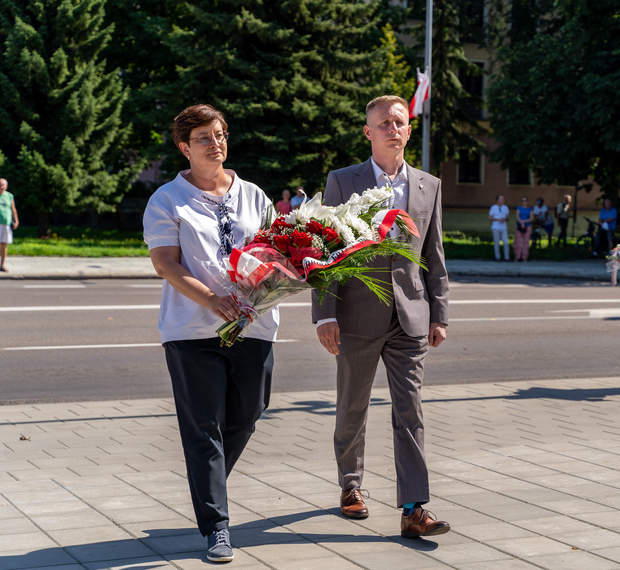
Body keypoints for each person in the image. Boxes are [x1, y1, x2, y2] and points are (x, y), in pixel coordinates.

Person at [142, 104, 279, 563]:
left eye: (219, 134)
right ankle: (216, 526)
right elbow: (165, 263)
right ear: (184, 147)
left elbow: (272, 252)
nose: (215, 143)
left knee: (249, 412)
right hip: (191, 329)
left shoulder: (253, 195)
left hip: (252, 326)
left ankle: (209, 483)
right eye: (203, 137)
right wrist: (213, 300)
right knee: (204, 428)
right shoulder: (167, 199)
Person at [312, 95, 451, 539]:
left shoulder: (428, 184)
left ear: (409, 130)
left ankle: (414, 508)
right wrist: (324, 315)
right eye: (383, 123)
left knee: (410, 410)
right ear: (368, 132)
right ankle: (351, 486)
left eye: (400, 122)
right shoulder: (342, 181)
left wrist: (439, 312)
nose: (393, 128)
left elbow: (434, 254)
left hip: (410, 315)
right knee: (353, 405)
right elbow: (326, 251)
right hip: (356, 316)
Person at [0, 178, 19, 273]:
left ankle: (2, 265)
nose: (1, 186)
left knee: (4, 244)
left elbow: (13, 209)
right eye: (0, 184)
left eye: (3, 185)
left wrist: (16, 220)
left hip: (6, 223)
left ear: (6, 186)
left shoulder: (9, 196)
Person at [488, 194, 510, 261]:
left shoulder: (505, 207)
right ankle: (497, 257)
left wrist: (504, 219)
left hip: (503, 227)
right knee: (496, 242)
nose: (502, 201)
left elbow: (507, 217)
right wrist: (497, 219)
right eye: (501, 199)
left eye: (503, 199)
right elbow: (490, 218)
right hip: (496, 227)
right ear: (497, 200)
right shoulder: (493, 207)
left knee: (506, 242)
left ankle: (507, 257)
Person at [514, 196, 533, 261]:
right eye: (522, 201)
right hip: (519, 226)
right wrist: (521, 223)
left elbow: (531, 218)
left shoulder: (530, 209)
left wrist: (524, 222)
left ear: (527, 201)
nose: (524, 202)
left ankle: (524, 257)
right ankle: (517, 257)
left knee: (526, 243)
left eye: (525, 201)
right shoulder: (519, 208)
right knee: (518, 242)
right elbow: (517, 216)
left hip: (527, 226)